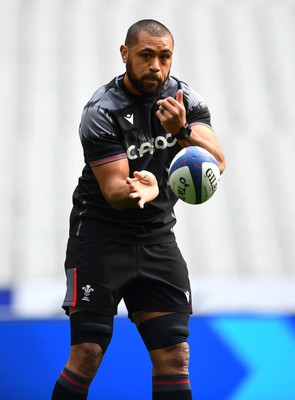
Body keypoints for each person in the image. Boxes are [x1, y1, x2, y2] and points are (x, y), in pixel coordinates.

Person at [51, 19, 226, 400]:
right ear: (125, 53)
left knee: (175, 357)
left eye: (165, 57)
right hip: (99, 238)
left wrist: (182, 133)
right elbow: (115, 191)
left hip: (157, 239)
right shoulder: (101, 110)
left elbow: (217, 162)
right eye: (147, 56)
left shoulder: (186, 100)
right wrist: (141, 187)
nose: (156, 67)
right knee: (87, 354)